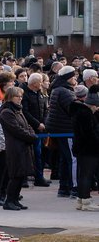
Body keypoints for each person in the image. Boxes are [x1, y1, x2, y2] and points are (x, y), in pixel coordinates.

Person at [0, 86, 37, 211]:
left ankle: (15, 199)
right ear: (10, 97)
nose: (20, 99)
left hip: (23, 145)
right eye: (17, 96)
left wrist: (31, 134)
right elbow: (16, 129)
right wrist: (30, 137)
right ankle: (9, 200)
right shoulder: (7, 112)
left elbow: (27, 125)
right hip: (15, 147)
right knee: (15, 175)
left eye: (21, 96)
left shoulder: (17, 110)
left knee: (21, 175)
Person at [45, 65, 78, 198]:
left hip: (59, 128)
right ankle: (72, 187)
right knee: (72, 159)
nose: (75, 78)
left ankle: (64, 187)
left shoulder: (58, 89)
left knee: (65, 159)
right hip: (66, 129)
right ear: (68, 78)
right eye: (73, 76)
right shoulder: (65, 91)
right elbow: (73, 109)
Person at [70, 85, 99, 211]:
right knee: (87, 175)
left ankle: (81, 200)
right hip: (89, 149)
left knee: (83, 175)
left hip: (81, 148)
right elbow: (90, 134)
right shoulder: (86, 115)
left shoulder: (79, 112)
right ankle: (86, 201)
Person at [21, 73, 50, 187]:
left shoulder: (40, 93)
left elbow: (44, 109)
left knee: (38, 154)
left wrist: (43, 123)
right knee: (27, 155)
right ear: (34, 83)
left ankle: (39, 177)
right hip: (29, 129)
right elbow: (25, 112)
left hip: (40, 130)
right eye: (40, 81)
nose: (42, 84)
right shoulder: (24, 94)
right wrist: (37, 124)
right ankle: (23, 178)